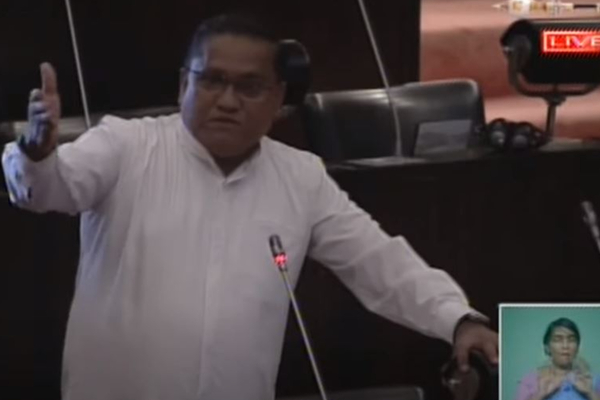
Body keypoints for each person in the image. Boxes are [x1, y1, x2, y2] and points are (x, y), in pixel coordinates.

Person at [2, 14, 498, 400]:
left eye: (249, 87)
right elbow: (47, 190)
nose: (228, 101)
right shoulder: (125, 146)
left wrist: (457, 318)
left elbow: (378, 261)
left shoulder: (300, 177)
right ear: (183, 85)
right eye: (212, 81)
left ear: (279, 98)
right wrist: (37, 153)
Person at [515, 318, 600, 400]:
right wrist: (540, 394)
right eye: (557, 340)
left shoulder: (592, 381)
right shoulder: (530, 381)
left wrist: (591, 393)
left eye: (571, 340)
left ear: (577, 347)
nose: (565, 346)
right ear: (547, 347)